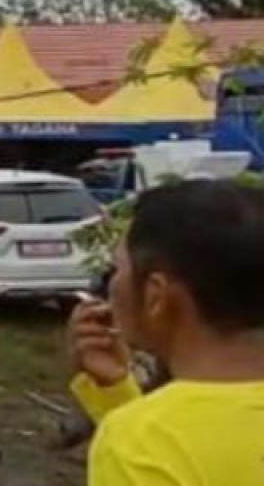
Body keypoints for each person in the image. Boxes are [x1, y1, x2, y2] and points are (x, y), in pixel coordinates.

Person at [66, 180, 264, 486]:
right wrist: (117, 393)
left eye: (117, 268)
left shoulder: (138, 442)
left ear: (156, 295)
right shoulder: (148, 436)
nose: (111, 285)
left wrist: (135, 423)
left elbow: (173, 450)